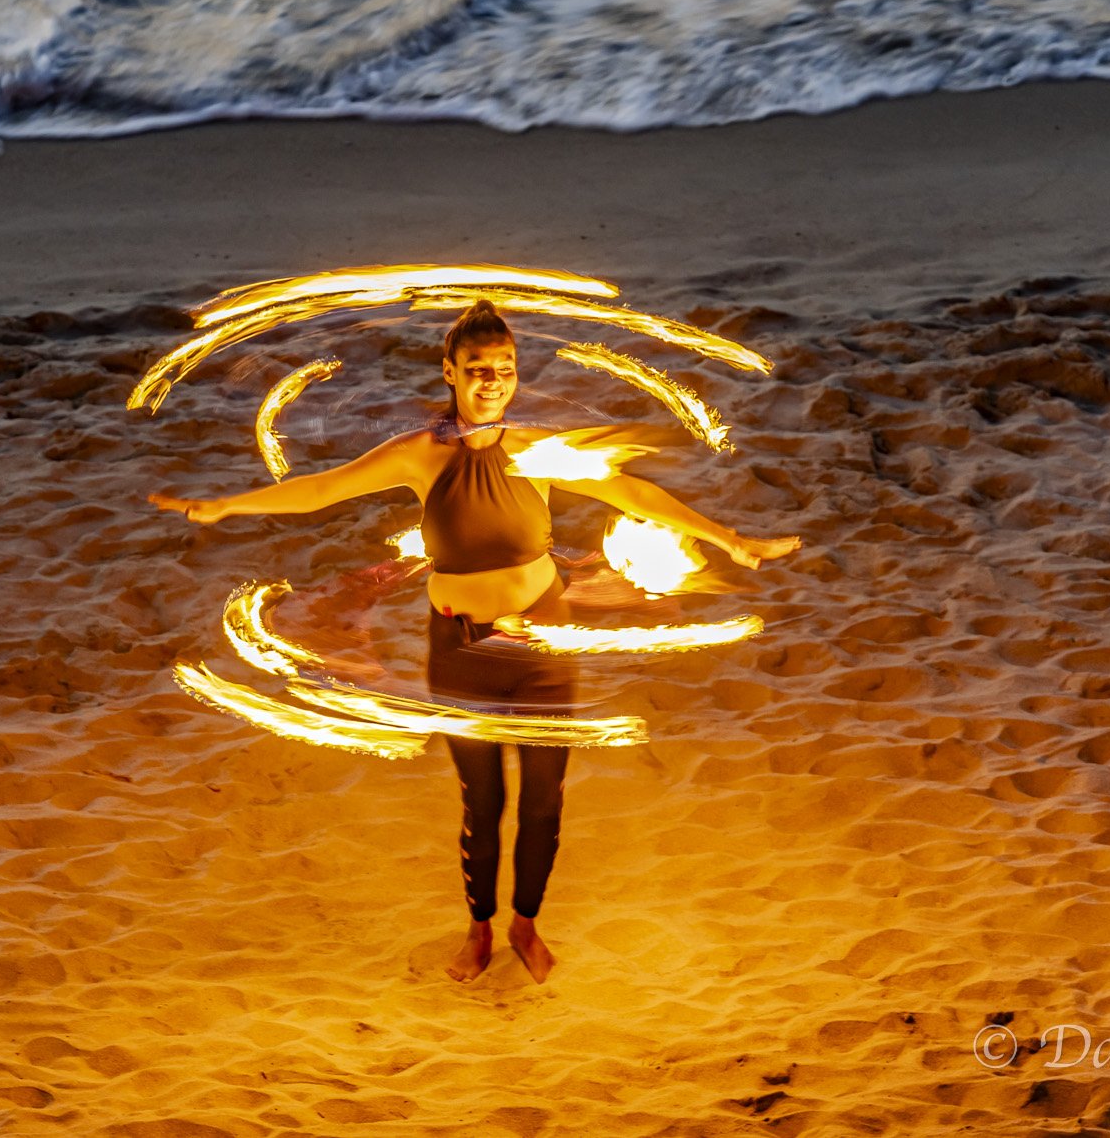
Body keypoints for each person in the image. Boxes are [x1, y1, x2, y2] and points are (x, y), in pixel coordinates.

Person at [151, 300, 800, 984]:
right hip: (460, 650)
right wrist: (227, 504)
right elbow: (322, 490)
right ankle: (479, 928)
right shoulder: (421, 455)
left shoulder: (537, 451)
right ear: (450, 372)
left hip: (543, 644)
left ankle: (526, 921)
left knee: (545, 800)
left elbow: (631, 491)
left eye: (506, 369)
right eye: (479, 369)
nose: (493, 381)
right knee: (483, 803)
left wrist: (729, 538)